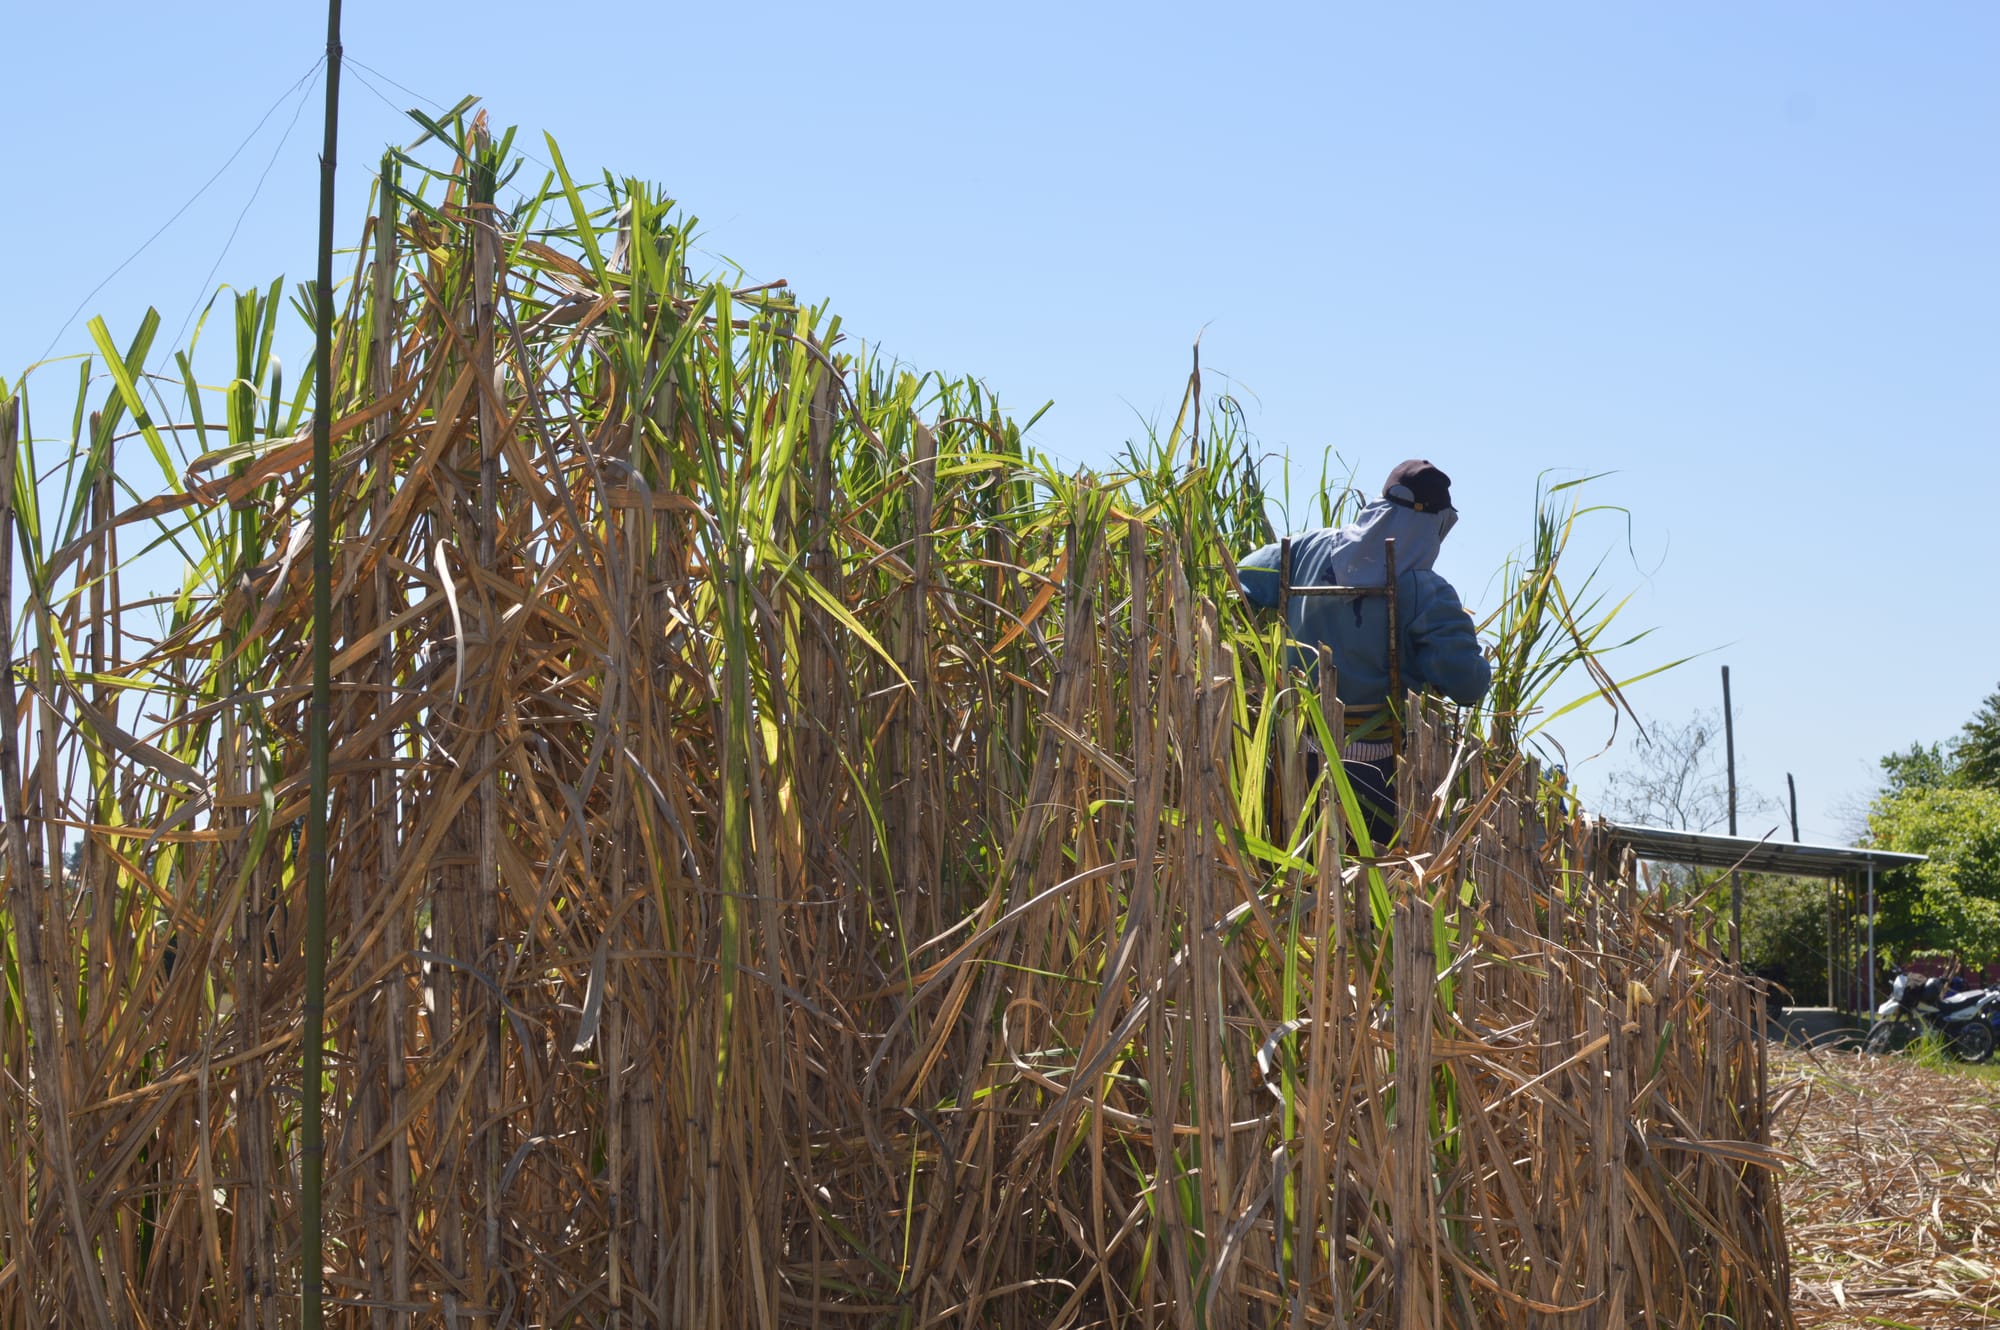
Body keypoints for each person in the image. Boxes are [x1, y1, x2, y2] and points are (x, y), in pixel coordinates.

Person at [1237, 459, 1490, 843]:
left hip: (1294, 760)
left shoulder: (1307, 549)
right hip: (1379, 775)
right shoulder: (1426, 592)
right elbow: (1468, 685)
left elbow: (1242, 574)